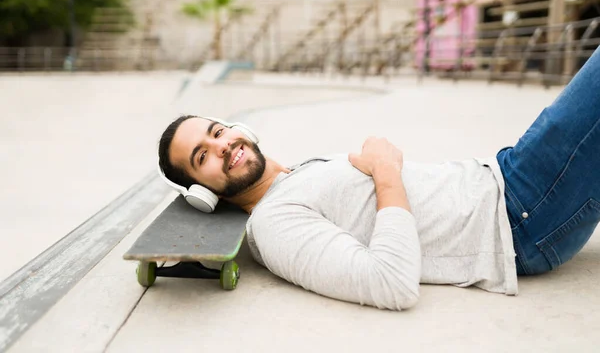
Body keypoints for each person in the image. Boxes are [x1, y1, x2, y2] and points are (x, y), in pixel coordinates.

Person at [157, 47, 600, 311]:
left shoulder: (292, 178)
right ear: (202, 191)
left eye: (217, 132)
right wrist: (386, 171)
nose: (221, 146)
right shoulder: (274, 224)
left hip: (504, 178)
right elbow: (391, 283)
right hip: (518, 215)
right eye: (202, 156)